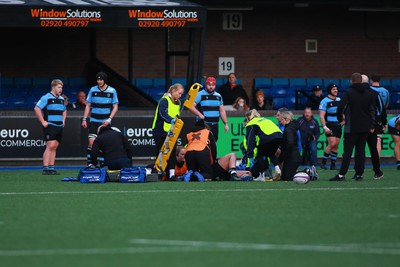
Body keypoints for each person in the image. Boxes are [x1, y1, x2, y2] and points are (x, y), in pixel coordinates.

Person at [330, 73, 375, 181]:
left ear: (351, 81)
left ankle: (342, 174)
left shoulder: (349, 93)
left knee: (348, 152)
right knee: (361, 151)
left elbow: (340, 107)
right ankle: (359, 174)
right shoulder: (368, 94)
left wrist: (340, 119)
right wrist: (371, 124)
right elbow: (372, 110)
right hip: (365, 127)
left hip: (351, 127)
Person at [183, 119, 252, 182]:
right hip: (213, 166)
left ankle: (189, 174)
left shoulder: (189, 135)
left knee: (193, 172)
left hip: (189, 154)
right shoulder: (207, 133)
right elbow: (214, 149)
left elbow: (185, 148)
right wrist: (212, 162)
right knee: (209, 174)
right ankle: (233, 172)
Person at [82, 72, 119, 166]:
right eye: (98, 80)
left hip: (105, 123)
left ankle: (103, 164)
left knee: (104, 143)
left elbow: (115, 107)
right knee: (91, 143)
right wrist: (84, 119)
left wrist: (109, 119)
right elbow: (88, 105)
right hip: (93, 121)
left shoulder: (112, 91)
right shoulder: (93, 90)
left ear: (104, 80)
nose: (99, 81)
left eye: (101, 80)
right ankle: (91, 164)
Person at [152, 83, 184, 180]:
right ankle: (159, 172)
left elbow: (177, 115)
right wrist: (171, 120)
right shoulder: (164, 100)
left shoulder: (178, 103)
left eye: (181, 94)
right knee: (162, 152)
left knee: (172, 152)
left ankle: (171, 174)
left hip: (172, 130)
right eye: (179, 93)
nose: (180, 95)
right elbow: (162, 114)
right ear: (173, 91)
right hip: (160, 129)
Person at [34, 79, 66, 175]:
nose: (61, 89)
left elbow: (64, 110)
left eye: (61, 87)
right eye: (59, 87)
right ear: (53, 87)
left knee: (55, 146)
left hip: (59, 126)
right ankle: (45, 168)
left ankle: (51, 168)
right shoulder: (46, 97)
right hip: (50, 125)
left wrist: (63, 120)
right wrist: (43, 121)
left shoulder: (61, 99)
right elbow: (37, 108)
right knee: (50, 146)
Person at [245, 109, 283, 179]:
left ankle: (261, 175)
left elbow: (250, 140)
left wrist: (250, 154)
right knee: (271, 153)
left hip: (268, 137)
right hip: (279, 136)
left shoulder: (252, 123)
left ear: (248, 118)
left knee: (260, 154)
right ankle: (277, 168)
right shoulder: (264, 119)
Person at [188, 76, 228, 142]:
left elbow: (222, 111)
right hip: (203, 124)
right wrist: (199, 114)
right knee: (203, 142)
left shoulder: (218, 96)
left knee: (213, 142)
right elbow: (190, 106)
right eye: (209, 85)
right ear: (206, 85)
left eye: (213, 85)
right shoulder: (200, 94)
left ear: (215, 85)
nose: (211, 87)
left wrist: (226, 123)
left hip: (215, 124)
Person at [362, 74, 385, 179]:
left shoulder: (353, 93)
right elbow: (381, 108)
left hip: (359, 125)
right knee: (373, 148)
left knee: (359, 149)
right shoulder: (375, 93)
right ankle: (377, 171)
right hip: (372, 124)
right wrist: (383, 122)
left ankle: (359, 173)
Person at [319, 83, 342, 170]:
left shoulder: (340, 100)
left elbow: (342, 112)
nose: (336, 90)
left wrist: (343, 120)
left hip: (338, 125)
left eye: (336, 89)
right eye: (333, 89)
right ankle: (323, 162)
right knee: (332, 143)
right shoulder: (324, 101)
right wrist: (325, 127)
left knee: (336, 145)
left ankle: (333, 164)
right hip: (330, 125)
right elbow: (321, 115)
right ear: (329, 91)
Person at [278, 110, 302, 181]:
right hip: (293, 156)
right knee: (285, 176)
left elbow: (290, 143)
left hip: (292, 157)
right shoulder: (292, 126)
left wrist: (283, 153)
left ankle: (308, 172)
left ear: (286, 119)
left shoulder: (289, 129)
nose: (280, 121)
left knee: (288, 177)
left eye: (282, 119)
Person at [370, 74, 390, 156]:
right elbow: (386, 105)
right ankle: (377, 162)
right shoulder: (385, 91)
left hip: (369, 117)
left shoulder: (369, 90)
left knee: (363, 140)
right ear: (380, 81)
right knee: (378, 140)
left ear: (371, 81)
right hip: (379, 117)